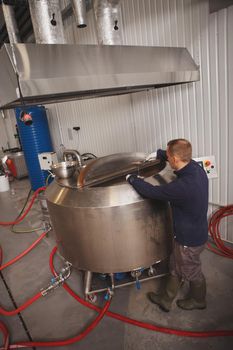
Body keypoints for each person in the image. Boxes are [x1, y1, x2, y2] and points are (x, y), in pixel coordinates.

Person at [126, 139, 209, 312]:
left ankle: (198, 300)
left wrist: (133, 179)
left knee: (191, 270)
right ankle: (166, 299)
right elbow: (174, 156)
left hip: (189, 238)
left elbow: (151, 192)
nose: (168, 159)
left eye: (168, 156)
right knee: (176, 265)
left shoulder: (182, 187)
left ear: (175, 159)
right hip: (194, 230)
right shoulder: (196, 168)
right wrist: (159, 154)